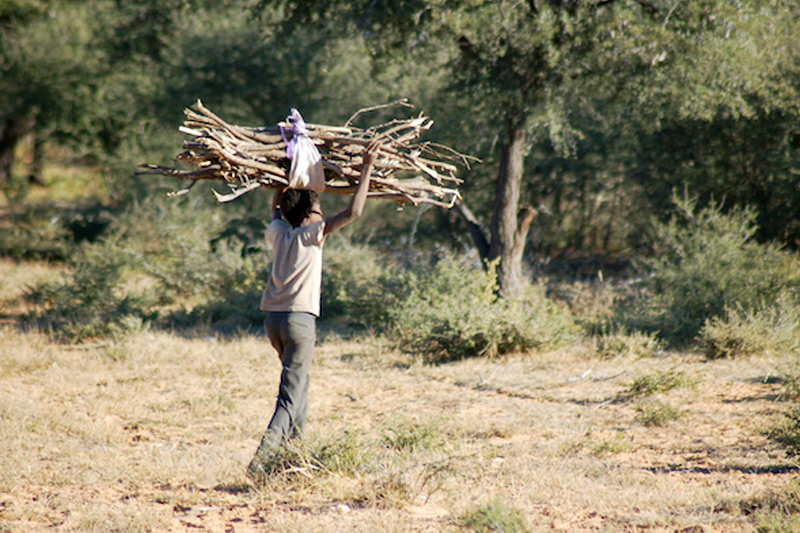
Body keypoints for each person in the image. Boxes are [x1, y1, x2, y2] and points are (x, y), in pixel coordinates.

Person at [247, 140, 380, 482]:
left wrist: (284, 172)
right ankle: (261, 462)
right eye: (319, 208)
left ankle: (294, 458)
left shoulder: (278, 232)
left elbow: (277, 208)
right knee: (289, 398)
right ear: (308, 215)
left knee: (299, 387)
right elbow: (354, 213)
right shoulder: (313, 234)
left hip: (273, 321)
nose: (322, 214)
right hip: (299, 322)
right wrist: (367, 167)